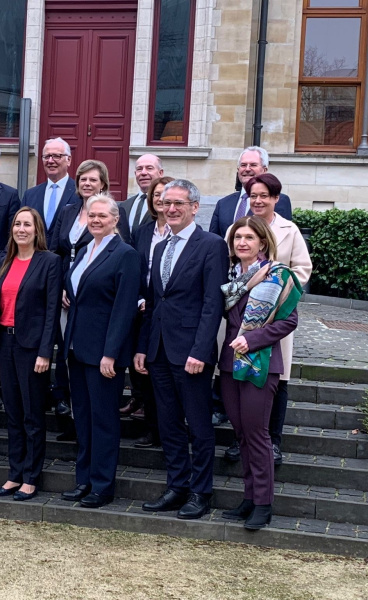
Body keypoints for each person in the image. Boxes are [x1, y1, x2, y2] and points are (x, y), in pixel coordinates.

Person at [134, 179, 229, 520]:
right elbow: (156, 302)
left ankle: (201, 492)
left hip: (191, 354)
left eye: (179, 203)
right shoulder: (159, 247)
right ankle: (177, 486)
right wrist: (144, 347)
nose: (171, 208)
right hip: (159, 351)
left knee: (199, 426)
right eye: (166, 203)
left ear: (194, 208)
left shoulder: (212, 245)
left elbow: (211, 304)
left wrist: (201, 351)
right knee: (169, 424)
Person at [224, 173, 312, 466]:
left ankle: (271, 440)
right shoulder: (238, 229)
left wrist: (275, 288)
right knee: (238, 384)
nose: (258, 201)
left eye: (265, 195)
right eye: (253, 196)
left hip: (272, 317)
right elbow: (229, 266)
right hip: (239, 319)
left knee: (274, 379)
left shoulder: (290, 229)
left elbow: (302, 268)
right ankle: (244, 441)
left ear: (276, 198)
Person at [219, 216, 301, 530]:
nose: (242, 242)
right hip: (228, 365)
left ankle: (263, 504)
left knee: (257, 435)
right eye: (237, 237)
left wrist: (252, 339)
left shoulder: (277, 276)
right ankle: (250, 497)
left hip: (261, 364)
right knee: (241, 434)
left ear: (262, 242)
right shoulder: (231, 277)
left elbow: (288, 322)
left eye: (249, 237)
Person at [60, 195, 140, 508]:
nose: (95, 220)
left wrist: (111, 353)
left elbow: (123, 310)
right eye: (91, 215)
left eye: (102, 216)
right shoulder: (83, 250)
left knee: (104, 421)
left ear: (115, 219)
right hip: (77, 349)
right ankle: (84, 481)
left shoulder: (125, 254)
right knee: (83, 419)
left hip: (103, 355)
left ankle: (102, 485)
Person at [48, 159, 131, 435]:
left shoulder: (116, 236)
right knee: (68, 352)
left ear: (103, 184)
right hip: (68, 289)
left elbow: (122, 297)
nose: (86, 183)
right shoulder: (69, 210)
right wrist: (61, 286)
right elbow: (55, 250)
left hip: (98, 301)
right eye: (82, 179)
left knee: (100, 407)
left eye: (93, 179)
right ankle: (67, 405)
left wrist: (111, 353)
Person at [0, 207, 61, 501]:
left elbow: (52, 309)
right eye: (17, 224)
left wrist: (46, 352)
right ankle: (13, 475)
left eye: (27, 224)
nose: (21, 229)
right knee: (13, 415)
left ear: (36, 229)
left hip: (32, 350)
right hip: (5, 345)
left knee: (32, 415)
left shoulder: (49, 262)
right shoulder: (4, 262)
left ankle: (31, 477)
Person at [125, 176, 174, 448]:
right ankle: (150, 427)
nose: (160, 200)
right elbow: (135, 269)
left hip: (168, 313)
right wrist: (140, 299)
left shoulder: (182, 232)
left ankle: (165, 431)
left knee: (162, 377)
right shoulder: (143, 232)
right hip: (142, 311)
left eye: (165, 195)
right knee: (141, 372)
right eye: (156, 195)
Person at [208, 146, 293, 237]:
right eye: (243, 165)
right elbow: (213, 240)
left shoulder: (278, 200)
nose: (247, 169)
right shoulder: (223, 204)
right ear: (238, 170)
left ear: (264, 170)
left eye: (253, 165)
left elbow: (282, 237)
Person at [21, 137, 77, 246]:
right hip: (36, 258)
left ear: (68, 160)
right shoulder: (30, 195)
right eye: (46, 156)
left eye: (56, 156)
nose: (50, 161)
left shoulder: (79, 193)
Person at [121, 154, 163, 233]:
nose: (143, 173)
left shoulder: (165, 204)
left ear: (160, 173)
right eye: (139, 169)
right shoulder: (124, 205)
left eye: (149, 168)